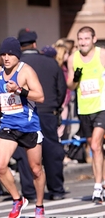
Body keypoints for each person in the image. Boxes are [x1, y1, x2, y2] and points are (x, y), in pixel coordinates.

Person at [0, 37, 46, 218]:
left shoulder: (26, 71)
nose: (6, 58)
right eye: (3, 54)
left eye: (10, 54)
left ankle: (39, 206)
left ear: (17, 55)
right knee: (0, 165)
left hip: (29, 126)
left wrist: (20, 90)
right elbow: (0, 94)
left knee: (36, 169)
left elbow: (40, 96)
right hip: (8, 125)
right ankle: (17, 199)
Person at [14, 30, 67, 201]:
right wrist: (55, 106)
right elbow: (62, 89)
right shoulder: (51, 63)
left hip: (23, 113)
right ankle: (57, 189)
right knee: (52, 151)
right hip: (47, 111)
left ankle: (29, 191)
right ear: (35, 44)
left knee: (25, 152)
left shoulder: (18, 65)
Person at [66, 26, 105, 203]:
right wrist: (75, 78)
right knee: (94, 148)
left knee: (96, 146)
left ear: (94, 39)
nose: (83, 42)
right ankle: (102, 183)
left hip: (102, 106)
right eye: (80, 39)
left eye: (86, 39)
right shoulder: (73, 58)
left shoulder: (101, 54)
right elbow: (70, 86)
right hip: (84, 109)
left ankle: (97, 188)